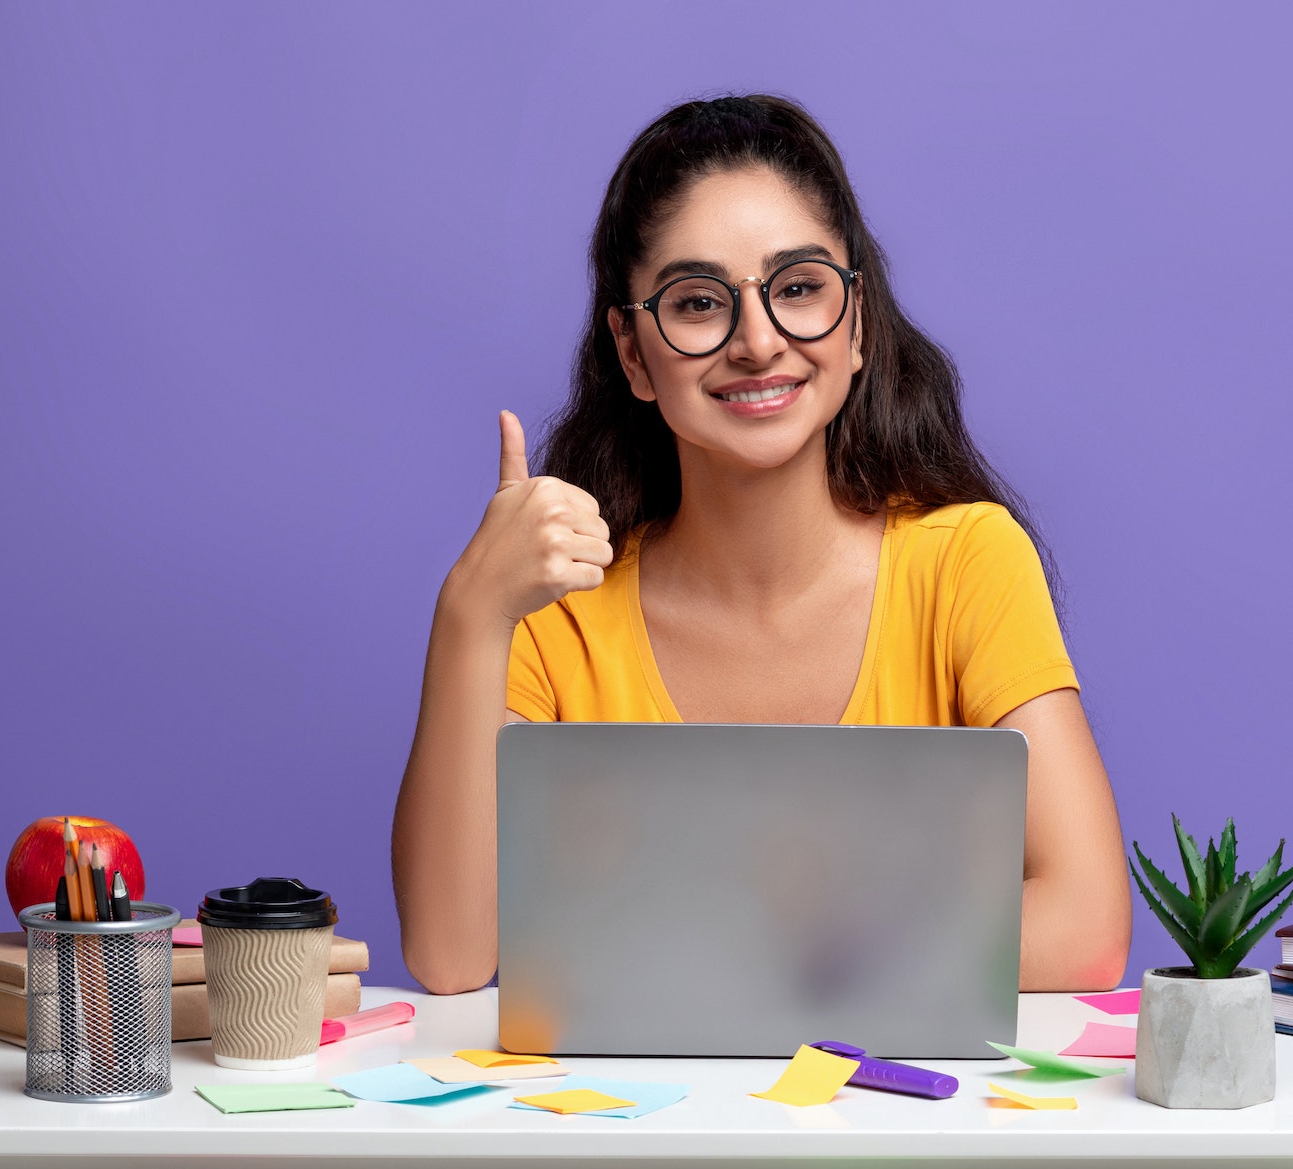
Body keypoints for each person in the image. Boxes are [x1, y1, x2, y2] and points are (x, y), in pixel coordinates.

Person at [394, 95, 1130, 996]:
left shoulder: (966, 561)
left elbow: (1088, 927)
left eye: (799, 288)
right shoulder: (557, 611)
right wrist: (471, 610)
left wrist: (753, 954)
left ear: (856, 322)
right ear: (632, 352)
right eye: (698, 302)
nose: (757, 341)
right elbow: (451, 952)